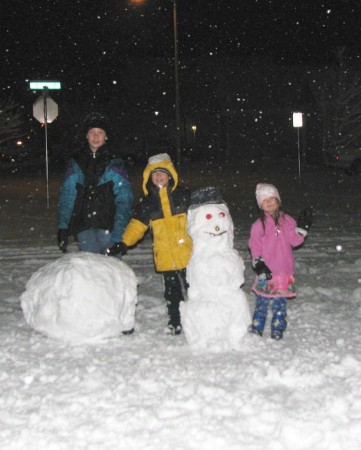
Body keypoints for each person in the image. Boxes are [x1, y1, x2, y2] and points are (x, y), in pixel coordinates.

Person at [113, 153, 192, 335]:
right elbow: (137, 226)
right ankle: (175, 321)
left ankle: (199, 318)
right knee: (172, 294)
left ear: (170, 175)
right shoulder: (148, 203)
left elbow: (201, 217)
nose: (158, 177)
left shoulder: (184, 196)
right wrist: (124, 243)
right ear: (149, 177)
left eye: (162, 173)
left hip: (188, 254)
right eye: (154, 174)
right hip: (164, 257)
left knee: (194, 289)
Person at [57, 113, 133, 256]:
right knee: (90, 268)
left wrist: (119, 233)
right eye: (92, 132)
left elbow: (124, 199)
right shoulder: (75, 163)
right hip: (83, 225)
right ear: (86, 136)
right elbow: (67, 195)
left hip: (109, 226)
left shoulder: (115, 164)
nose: (96, 136)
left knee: (111, 269)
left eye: (100, 132)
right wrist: (63, 226)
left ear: (106, 136)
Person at [248, 183, 311, 340]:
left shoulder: (287, 221)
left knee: (279, 303)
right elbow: (254, 245)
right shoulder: (258, 225)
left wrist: (302, 229)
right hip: (266, 270)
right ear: (260, 205)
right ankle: (257, 326)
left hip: (283, 269)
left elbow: (295, 241)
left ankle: (277, 327)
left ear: (278, 200)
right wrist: (258, 262)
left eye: (272, 198)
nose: (269, 202)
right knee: (262, 302)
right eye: (264, 200)